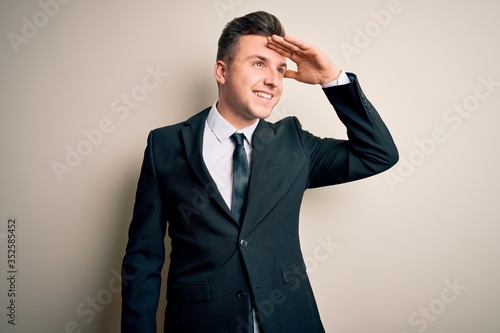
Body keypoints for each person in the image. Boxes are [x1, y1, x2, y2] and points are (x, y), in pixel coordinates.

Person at [121, 10, 398, 333]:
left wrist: (331, 78)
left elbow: (378, 153)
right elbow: (143, 259)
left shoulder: (295, 143)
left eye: (280, 69)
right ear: (221, 71)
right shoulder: (164, 145)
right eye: (258, 64)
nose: (273, 80)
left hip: (291, 321)